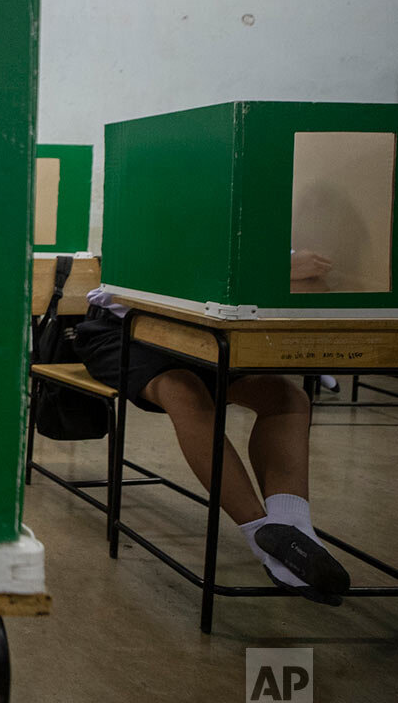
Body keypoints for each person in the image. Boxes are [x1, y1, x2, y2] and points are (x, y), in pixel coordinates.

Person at [73, 249, 351, 605]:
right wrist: (274, 267)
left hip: (205, 331)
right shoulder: (159, 200)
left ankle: (294, 531)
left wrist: (281, 267)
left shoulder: (261, 213)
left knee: (287, 399)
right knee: (184, 390)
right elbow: (167, 268)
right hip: (126, 329)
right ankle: (262, 537)